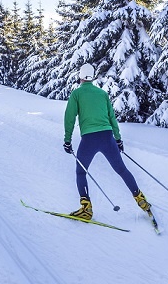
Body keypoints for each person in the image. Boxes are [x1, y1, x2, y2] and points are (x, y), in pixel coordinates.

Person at [63, 63, 151, 220]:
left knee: (81, 172)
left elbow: (69, 118)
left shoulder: (76, 94)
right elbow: (112, 118)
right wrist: (118, 140)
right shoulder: (102, 94)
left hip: (89, 139)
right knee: (122, 170)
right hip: (107, 137)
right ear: (93, 76)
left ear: (81, 76)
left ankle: (86, 208)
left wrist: (67, 140)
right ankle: (141, 199)